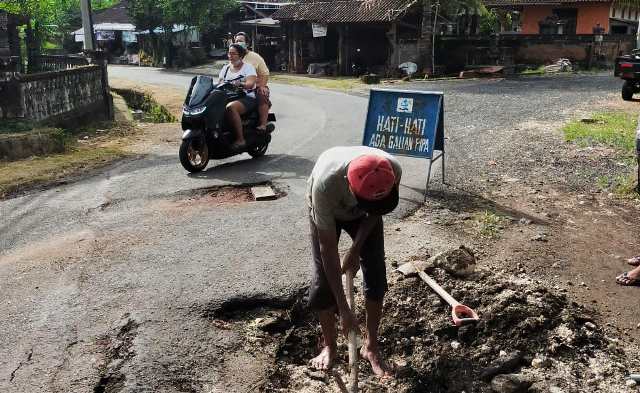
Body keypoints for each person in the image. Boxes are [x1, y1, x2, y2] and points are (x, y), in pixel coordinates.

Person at [306, 146, 402, 377]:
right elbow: (327, 248)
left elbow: (375, 213)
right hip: (330, 213)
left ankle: (372, 347)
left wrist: (355, 250)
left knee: (376, 274)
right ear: (350, 188)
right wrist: (344, 309)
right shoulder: (325, 186)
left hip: (365, 216)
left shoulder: (392, 169)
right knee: (323, 282)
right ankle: (330, 346)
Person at [218, 43, 257, 151]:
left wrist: (240, 84)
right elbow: (220, 83)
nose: (230, 56)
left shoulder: (248, 68)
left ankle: (240, 140)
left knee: (231, 107)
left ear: (240, 56)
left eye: (233, 54)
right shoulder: (225, 69)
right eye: (229, 53)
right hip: (227, 97)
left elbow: (250, 83)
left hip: (247, 97)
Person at [234, 32, 271, 132]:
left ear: (247, 44)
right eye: (236, 41)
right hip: (239, 87)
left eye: (241, 41)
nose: (238, 43)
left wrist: (262, 86)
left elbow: (265, 73)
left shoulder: (255, 57)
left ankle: (263, 124)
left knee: (262, 95)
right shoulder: (234, 56)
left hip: (255, 86)